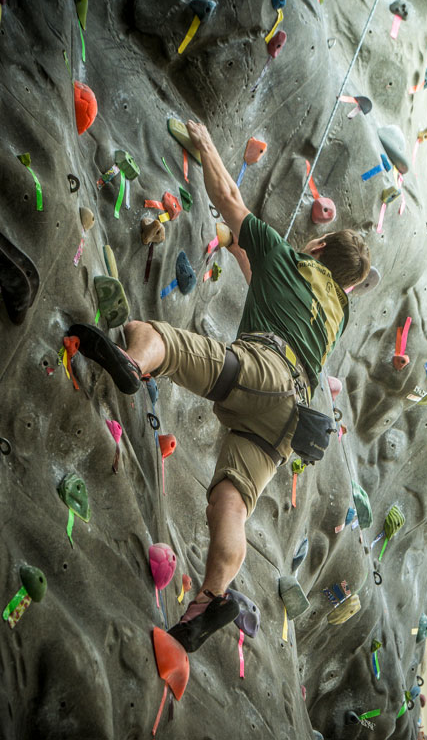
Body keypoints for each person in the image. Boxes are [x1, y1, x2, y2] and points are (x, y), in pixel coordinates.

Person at [68, 121, 371, 652]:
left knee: (154, 335)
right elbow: (266, 280)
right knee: (230, 502)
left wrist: (205, 144)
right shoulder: (333, 318)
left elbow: (227, 196)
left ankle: (131, 361)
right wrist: (240, 252)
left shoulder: (287, 256)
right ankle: (213, 596)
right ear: (346, 286)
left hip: (260, 371)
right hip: (288, 419)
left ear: (318, 244)